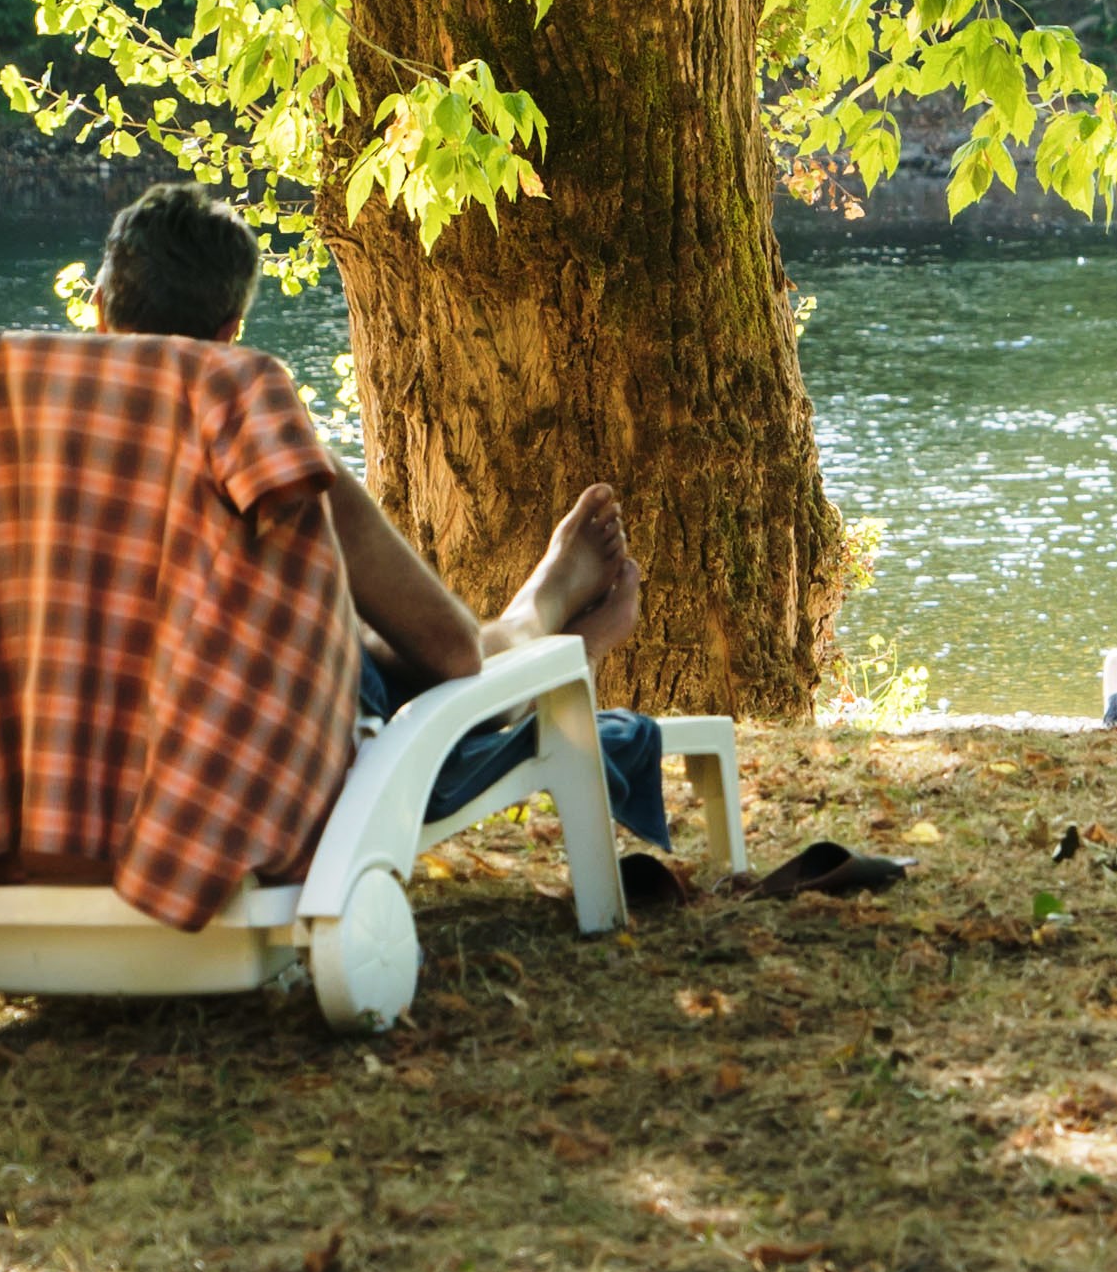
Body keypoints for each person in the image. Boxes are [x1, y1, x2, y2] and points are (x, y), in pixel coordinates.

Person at [85, 182, 687, 870]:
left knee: (356, 656)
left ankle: (529, 626)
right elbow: (452, 657)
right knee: (436, 666)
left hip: (61, 786)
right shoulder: (270, 456)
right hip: (252, 784)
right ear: (229, 334)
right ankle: (543, 624)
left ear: (100, 312)